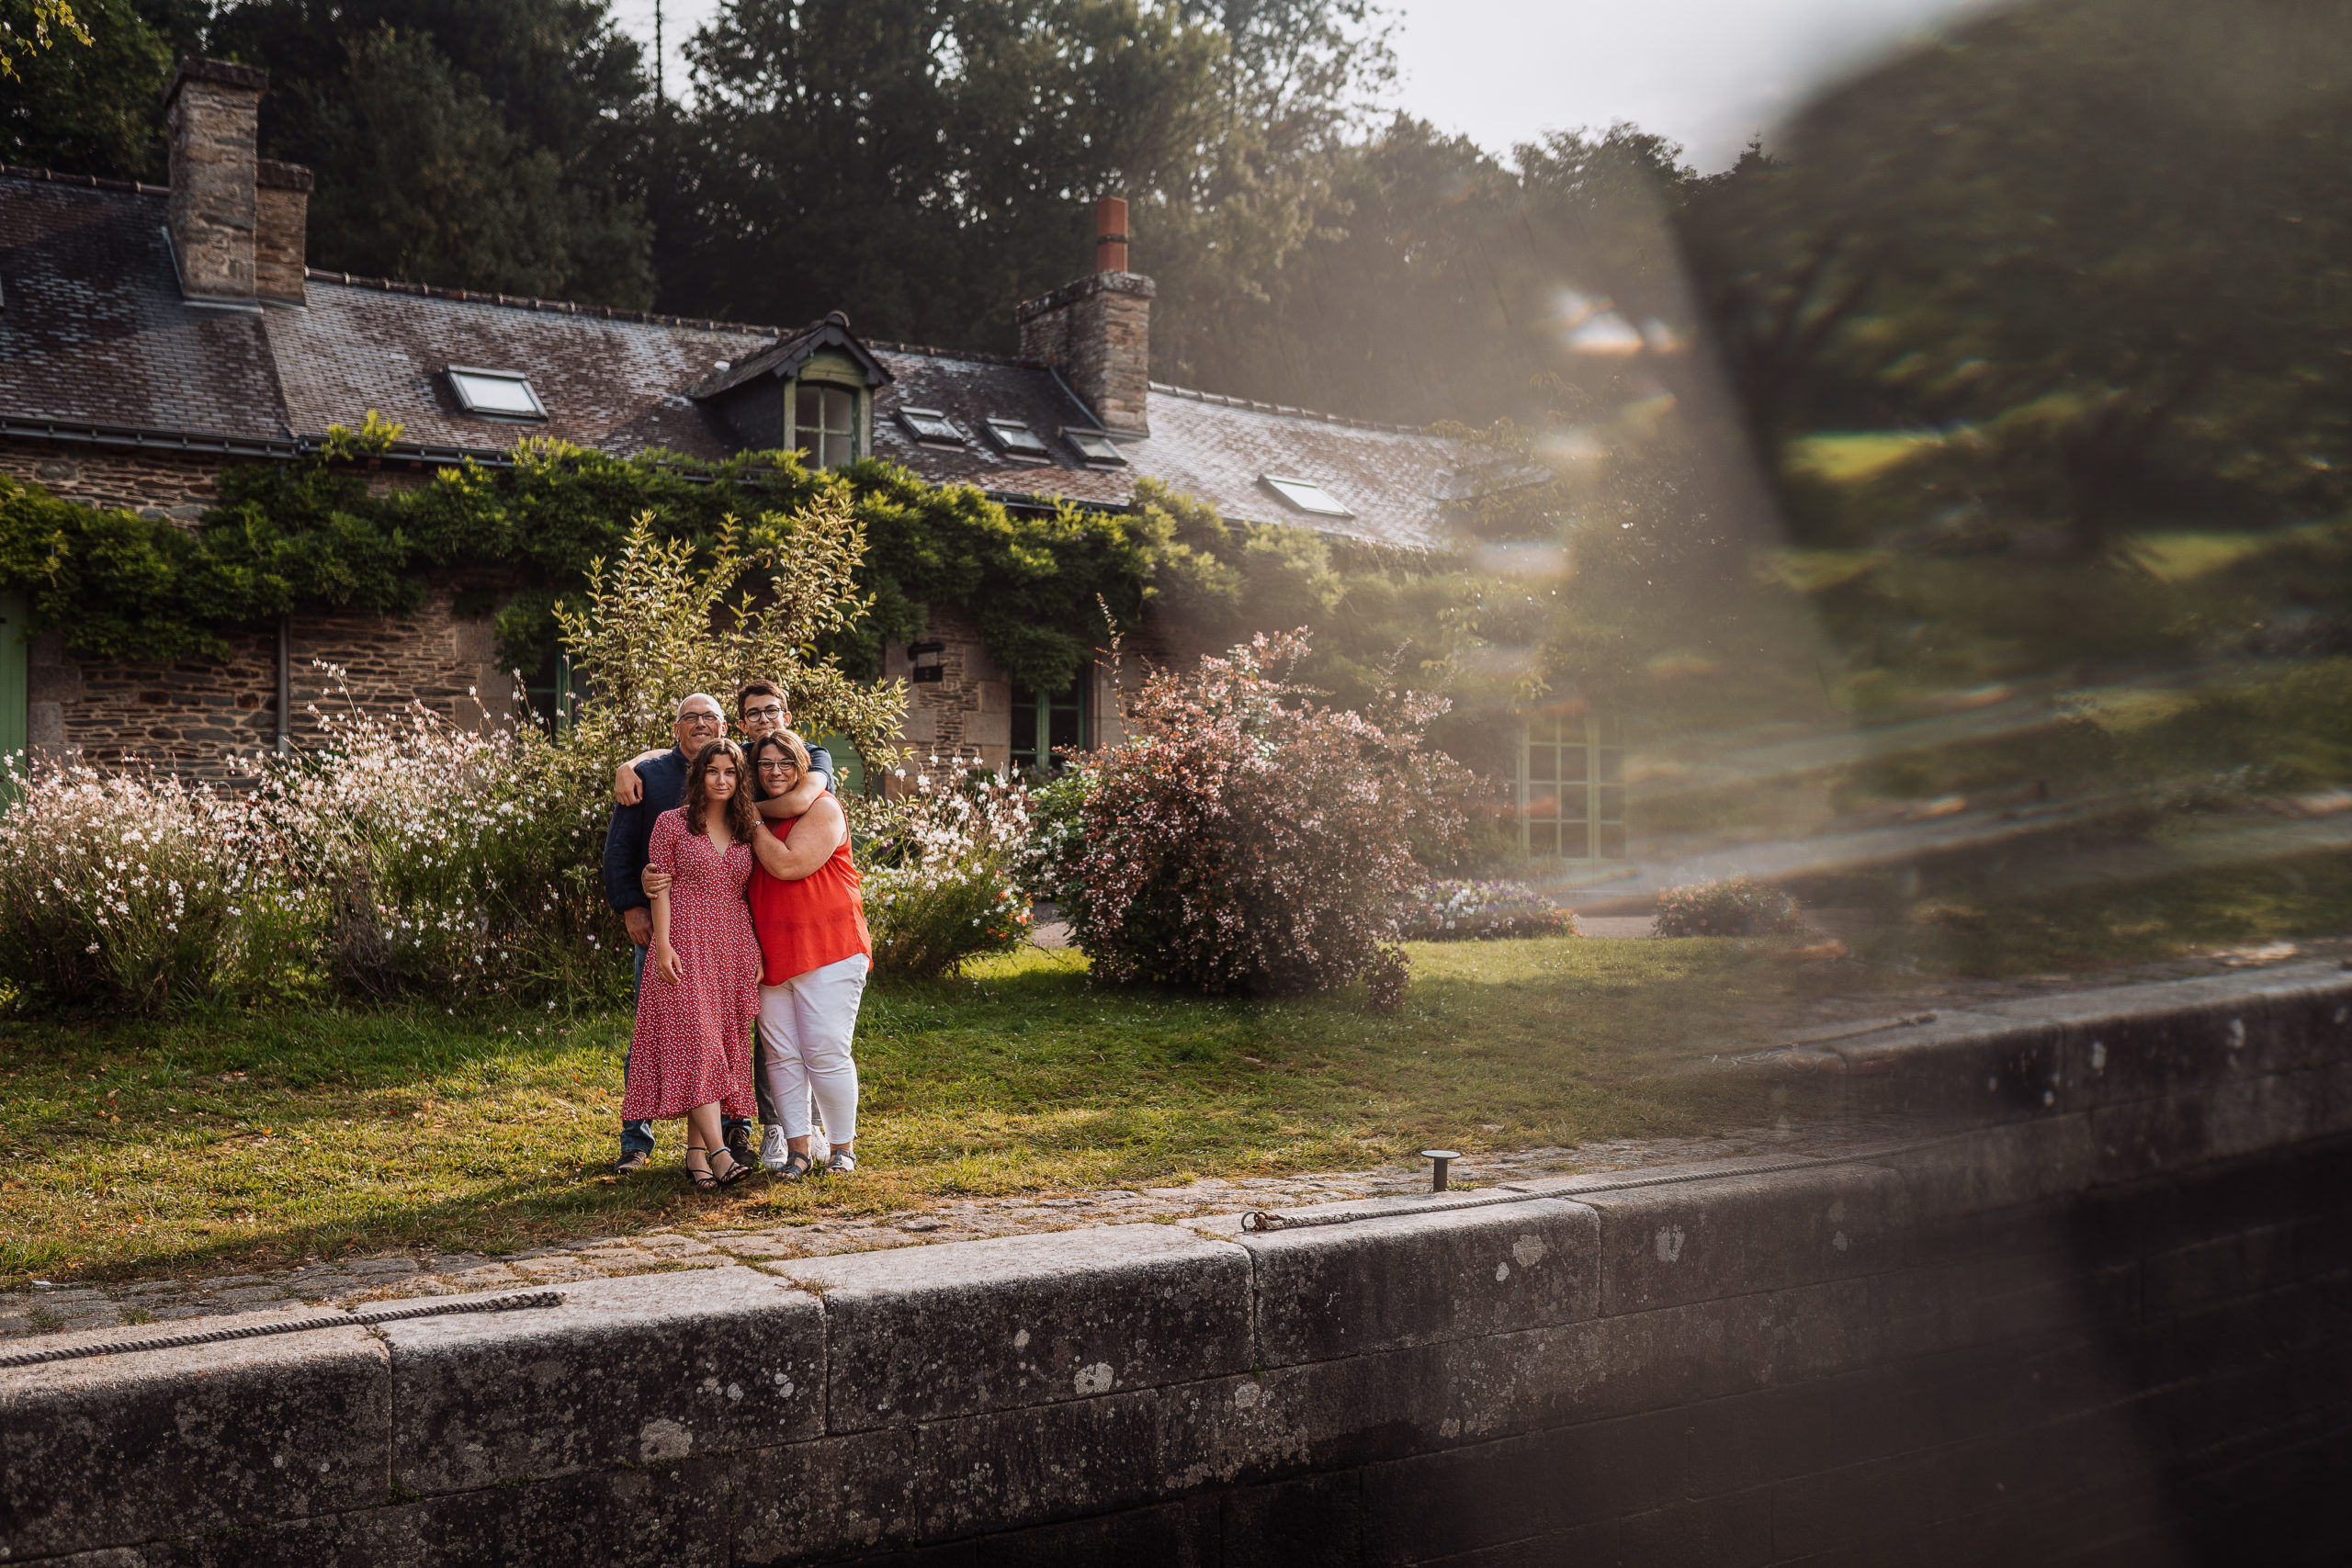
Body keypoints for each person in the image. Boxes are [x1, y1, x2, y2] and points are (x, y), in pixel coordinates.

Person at [617, 681, 838, 1164]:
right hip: (678, 932)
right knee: (670, 1034)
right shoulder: (684, 790)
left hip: (745, 933)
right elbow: (688, 754)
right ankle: (650, 1144)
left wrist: (737, 812)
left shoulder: (806, 756)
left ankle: (740, 1139)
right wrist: (629, 765)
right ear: (738, 726)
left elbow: (803, 802)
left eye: (771, 710)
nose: (763, 720)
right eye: (753, 714)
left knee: (734, 1038)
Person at [644, 729, 870, 1179]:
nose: (776, 771)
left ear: (804, 766)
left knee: (825, 1050)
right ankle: (798, 1151)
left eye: (786, 762)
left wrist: (749, 815)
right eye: (765, 764)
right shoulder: (720, 824)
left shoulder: (817, 809)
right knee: (780, 1055)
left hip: (826, 947)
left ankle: (842, 1149)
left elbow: (786, 864)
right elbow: (691, 871)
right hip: (761, 952)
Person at [623, 737, 763, 1189]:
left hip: (733, 944)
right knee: (698, 1043)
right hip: (683, 941)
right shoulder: (672, 823)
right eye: (712, 771)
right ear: (698, 775)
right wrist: (662, 945)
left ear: (739, 779)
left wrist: (756, 950)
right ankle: (721, 1155)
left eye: (730, 772)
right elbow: (658, 886)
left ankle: (696, 1155)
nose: (721, 780)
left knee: (719, 1046)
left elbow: (750, 894)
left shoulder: (747, 826)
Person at [600, 692, 727, 1173]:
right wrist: (632, 908)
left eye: (709, 717)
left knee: (721, 1033)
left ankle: (731, 1130)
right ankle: (635, 1139)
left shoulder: (735, 774)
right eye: (690, 717)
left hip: (720, 932)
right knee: (649, 1032)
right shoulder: (648, 778)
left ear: (723, 727)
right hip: (662, 929)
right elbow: (621, 848)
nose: (700, 724)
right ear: (675, 728)